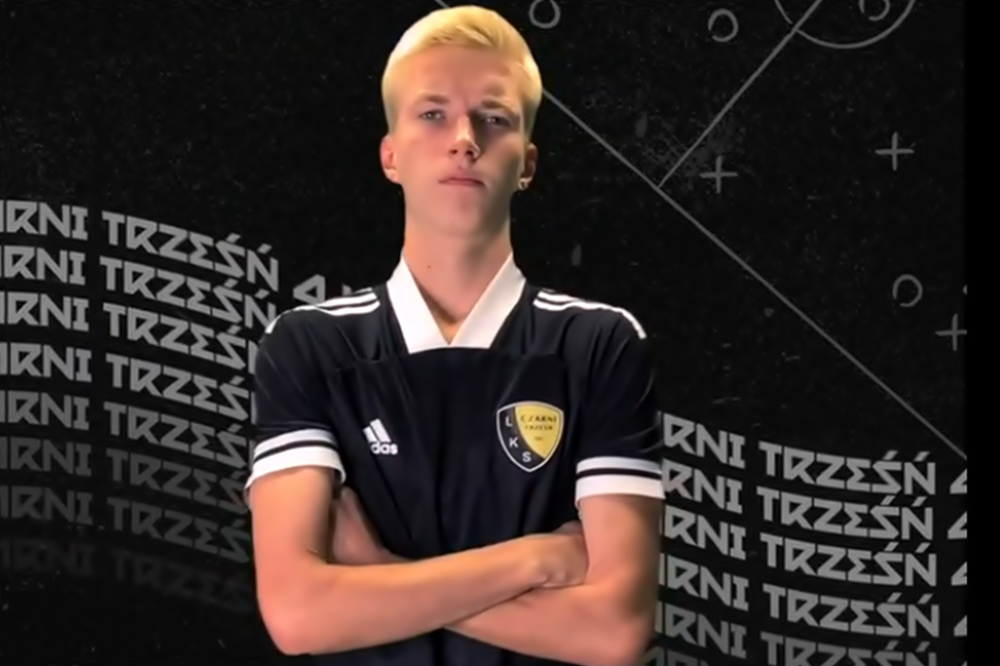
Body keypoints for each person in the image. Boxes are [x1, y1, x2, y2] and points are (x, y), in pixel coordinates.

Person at [245, 5, 664, 666]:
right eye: (433, 113)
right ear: (390, 155)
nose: (465, 138)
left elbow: (612, 632)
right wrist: (536, 558)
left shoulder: (598, 345)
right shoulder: (309, 346)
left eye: (494, 118)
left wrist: (378, 572)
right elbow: (298, 615)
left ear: (527, 163)